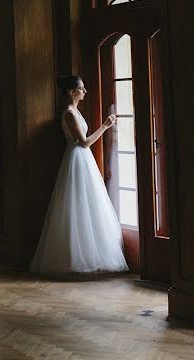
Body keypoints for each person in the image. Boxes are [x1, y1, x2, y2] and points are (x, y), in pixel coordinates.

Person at [28, 75, 129, 275]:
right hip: (76, 158)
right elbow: (83, 142)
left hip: (83, 159)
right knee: (76, 205)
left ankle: (93, 252)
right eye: (81, 88)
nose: (84, 91)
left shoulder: (74, 111)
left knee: (89, 204)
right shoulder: (69, 113)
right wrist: (105, 126)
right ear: (71, 92)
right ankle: (75, 256)